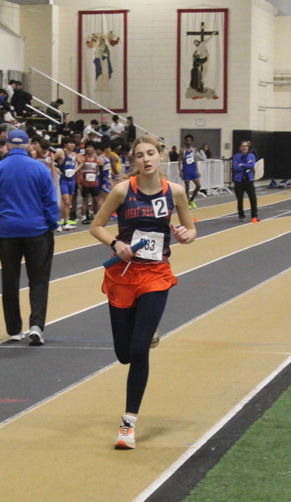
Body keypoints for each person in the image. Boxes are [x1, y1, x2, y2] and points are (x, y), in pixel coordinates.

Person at [89, 134, 195, 449]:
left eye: (151, 153)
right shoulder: (123, 190)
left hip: (155, 274)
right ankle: (146, 333)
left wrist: (185, 235)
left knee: (138, 351)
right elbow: (96, 226)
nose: (146, 159)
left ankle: (128, 425)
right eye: (140, 155)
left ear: (161, 156)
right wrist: (115, 243)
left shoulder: (175, 191)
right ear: (134, 160)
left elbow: (191, 230)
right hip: (122, 275)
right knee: (124, 354)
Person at [0, 129, 60, 345]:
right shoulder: (40, 169)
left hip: (7, 233)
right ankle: (36, 326)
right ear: (28, 146)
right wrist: (52, 224)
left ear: (7, 146)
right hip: (38, 231)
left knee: (10, 281)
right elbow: (50, 201)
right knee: (39, 280)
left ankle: (14, 329)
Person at [232, 140, 258, 223]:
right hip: (239, 181)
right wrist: (247, 166)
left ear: (248, 147)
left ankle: (254, 216)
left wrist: (243, 165)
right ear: (240, 148)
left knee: (253, 198)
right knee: (240, 199)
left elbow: (252, 165)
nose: (244, 148)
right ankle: (241, 215)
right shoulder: (236, 156)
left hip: (249, 180)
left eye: (246, 146)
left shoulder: (251, 156)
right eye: (243, 146)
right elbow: (236, 168)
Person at [180, 135, 200, 209]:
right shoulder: (182, 150)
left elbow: (195, 160)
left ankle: (192, 200)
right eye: (187, 140)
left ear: (192, 141)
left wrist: (197, 170)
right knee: (187, 188)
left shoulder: (194, 149)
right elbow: (179, 161)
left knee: (198, 186)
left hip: (193, 170)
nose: (188, 141)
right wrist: (180, 171)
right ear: (185, 141)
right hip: (186, 170)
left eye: (190, 140)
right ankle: (187, 203)